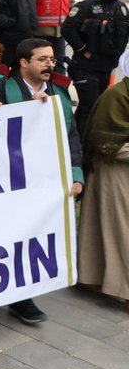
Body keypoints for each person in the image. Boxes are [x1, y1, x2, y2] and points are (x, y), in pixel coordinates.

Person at [0, 38, 84, 325]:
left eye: (52, 59)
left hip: (46, 181)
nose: (50, 64)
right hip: (9, 181)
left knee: (34, 237)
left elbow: (71, 137)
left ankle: (22, 297)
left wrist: (75, 175)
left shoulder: (59, 93)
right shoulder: (0, 89)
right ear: (24, 63)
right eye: (43, 59)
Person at [77, 49, 129, 304]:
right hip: (111, 169)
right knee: (120, 229)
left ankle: (90, 276)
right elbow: (104, 142)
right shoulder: (116, 96)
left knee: (106, 228)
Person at [64, 0, 129, 137]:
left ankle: (83, 139)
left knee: (97, 108)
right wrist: (83, 50)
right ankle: (78, 144)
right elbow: (68, 28)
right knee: (89, 105)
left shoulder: (122, 9)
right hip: (85, 67)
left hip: (107, 68)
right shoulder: (86, 6)